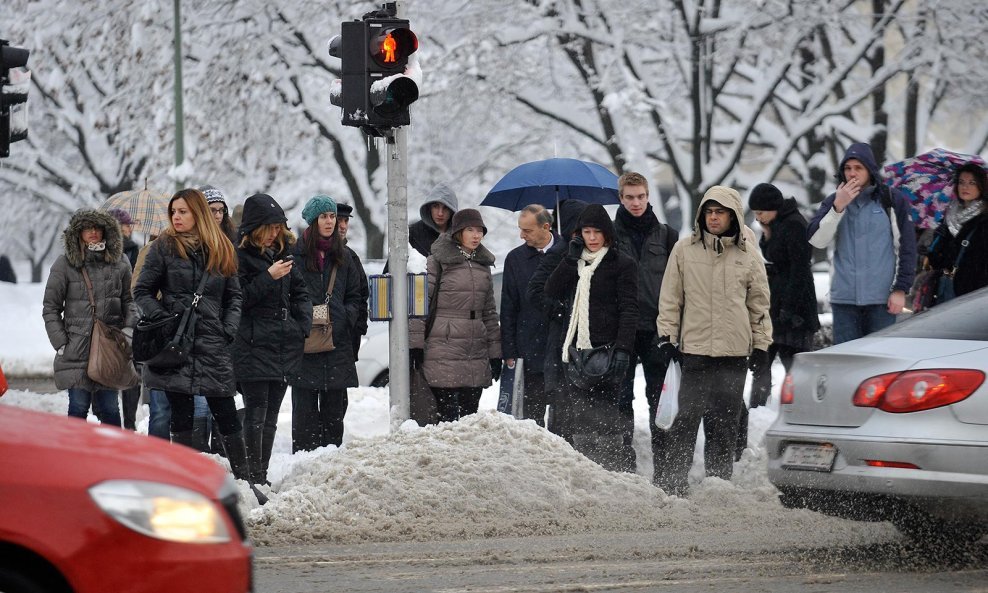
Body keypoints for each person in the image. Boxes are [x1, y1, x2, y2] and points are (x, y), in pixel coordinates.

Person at [132, 189, 252, 489]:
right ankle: (184, 485)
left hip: (213, 344)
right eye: (174, 212)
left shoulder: (221, 247)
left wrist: (228, 329)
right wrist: (162, 319)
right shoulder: (164, 247)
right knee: (181, 415)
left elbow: (234, 295)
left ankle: (244, 483)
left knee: (226, 412)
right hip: (177, 346)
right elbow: (142, 291)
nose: (176, 217)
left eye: (183, 211)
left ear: (197, 213)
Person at [657, 186, 771, 496]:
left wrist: (761, 346)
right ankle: (673, 483)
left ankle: (718, 485)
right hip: (694, 351)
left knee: (724, 424)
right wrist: (667, 337)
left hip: (734, 354)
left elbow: (759, 304)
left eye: (720, 212)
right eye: (709, 211)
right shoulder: (684, 250)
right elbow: (670, 298)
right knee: (686, 420)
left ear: (733, 215)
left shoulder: (748, 253)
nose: (714, 217)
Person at [544, 204, 638, 471]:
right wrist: (569, 260)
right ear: (579, 234)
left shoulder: (622, 264)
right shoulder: (574, 262)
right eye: (587, 231)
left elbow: (629, 309)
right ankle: (586, 472)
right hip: (576, 351)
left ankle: (612, 471)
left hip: (608, 351)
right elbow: (551, 289)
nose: (593, 237)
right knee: (580, 417)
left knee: (608, 417)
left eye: (597, 231)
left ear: (607, 233)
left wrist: (623, 349)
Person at [233, 193, 312, 485]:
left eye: (278, 228)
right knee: (255, 415)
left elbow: (301, 293)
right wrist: (268, 276)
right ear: (255, 228)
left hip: (282, 345)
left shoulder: (284, 255)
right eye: (269, 228)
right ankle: (250, 476)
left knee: (270, 418)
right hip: (252, 347)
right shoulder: (238, 257)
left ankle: (261, 474)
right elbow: (239, 299)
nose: (275, 234)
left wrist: (300, 326)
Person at [808, 143, 917, 344]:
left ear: (870, 170)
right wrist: (838, 207)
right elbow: (817, 240)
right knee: (847, 362)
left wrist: (900, 289)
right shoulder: (834, 201)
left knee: (881, 363)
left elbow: (907, 248)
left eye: (858, 168)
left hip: (882, 300)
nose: (852, 173)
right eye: (847, 169)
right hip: (844, 301)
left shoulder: (891, 200)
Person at [611, 171, 679, 479]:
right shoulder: (608, 236)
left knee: (660, 401)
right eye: (629, 197)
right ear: (620, 198)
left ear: (648, 196)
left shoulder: (667, 235)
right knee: (622, 399)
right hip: (621, 329)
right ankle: (626, 470)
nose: (636, 202)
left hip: (657, 330)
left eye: (641, 196)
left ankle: (664, 472)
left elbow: (680, 285)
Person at [43, 209, 135, 426]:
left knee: (110, 409)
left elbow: (130, 301)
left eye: (97, 228)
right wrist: (61, 343)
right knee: (78, 407)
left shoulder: (120, 262)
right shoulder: (64, 264)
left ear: (106, 231)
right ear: (78, 232)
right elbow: (51, 307)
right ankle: (75, 457)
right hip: (76, 348)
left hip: (109, 348)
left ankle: (111, 456)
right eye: (87, 228)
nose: (93, 232)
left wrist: (129, 331)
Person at [409, 208, 501, 422]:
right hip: (444, 346)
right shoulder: (437, 261)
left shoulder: (483, 265)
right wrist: (415, 345)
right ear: (458, 232)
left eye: (480, 231)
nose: (476, 235)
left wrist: (496, 353)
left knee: (469, 419)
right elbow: (420, 304)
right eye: (470, 230)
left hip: (475, 349)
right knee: (447, 418)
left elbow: (489, 313)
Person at [290, 195, 362, 452]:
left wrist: (343, 317)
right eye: (324, 216)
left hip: (336, 344)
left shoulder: (345, 257)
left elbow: (357, 295)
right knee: (304, 417)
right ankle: (303, 466)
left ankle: (331, 463)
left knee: (334, 416)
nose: (331, 222)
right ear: (313, 220)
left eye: (333, 216)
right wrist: (301, 320)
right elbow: (286, 296)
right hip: (304, 345)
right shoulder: (295, 255)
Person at [748, 183, 820, 407]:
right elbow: (773, 255)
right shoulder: (777, 223)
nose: (758, 217)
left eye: (760, 212)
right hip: (778, 303)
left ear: (772, 208)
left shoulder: (795, 225)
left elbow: (799, 270)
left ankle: (800, 409)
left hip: (795, 307)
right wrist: (767, 234)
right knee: (763, 362)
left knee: (795, 367)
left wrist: (788, 309)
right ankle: (759, 408)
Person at [527, 199, 590, 440]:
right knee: (562, 402)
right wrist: (560, 311)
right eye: (577, 229)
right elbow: (535, 291)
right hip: (562, 337)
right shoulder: (558, 255)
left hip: (585, 339)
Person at [500, 204, 559, 427]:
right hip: (529, 348)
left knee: (562, 419)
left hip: (561, 348)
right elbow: (508, 307)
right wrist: (509, 350)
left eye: (527, 230)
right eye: (520, 229)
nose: (522, 235)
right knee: (531, 420)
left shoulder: (566, 253)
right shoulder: (515, 259)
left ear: (546, 227)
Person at [925, 163, 988, 300]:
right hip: (944, 288)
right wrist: (936, 243)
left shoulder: (984, 220)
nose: (965, 187)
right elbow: (936, 262)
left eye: (972, 183)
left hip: (971, 294)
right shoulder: (948, 216)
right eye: (961, 182)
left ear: (981, 186)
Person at [107, 207, 142, 430]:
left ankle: (129, 423)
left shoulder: (136, 251)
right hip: (110, 319)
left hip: (132, 317)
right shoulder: (105, 254)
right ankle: (112, 423)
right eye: (127, 224)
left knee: (132, 373)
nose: (130, 228)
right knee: (109, 372)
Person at [336, 202, 369, 360]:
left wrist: (356, 328)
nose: (343, 226)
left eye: (346, 221)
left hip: (347, 337)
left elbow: (362, 295)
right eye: (338, 220)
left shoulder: (352, 257)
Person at [408, 182, 458, 258]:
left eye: (446, 207)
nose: (440, 213)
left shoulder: (460, 235)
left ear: (452, 210)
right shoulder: (412, 233)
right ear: (429, 208)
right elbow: (391, 268)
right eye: (436, 206)